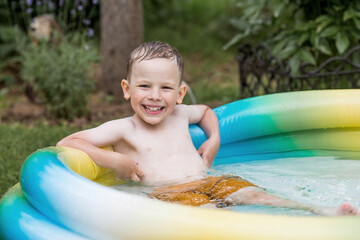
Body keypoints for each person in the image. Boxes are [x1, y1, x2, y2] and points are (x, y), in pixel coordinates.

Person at [57, 41, 358, 216]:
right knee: (215, 221)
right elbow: (69, 141)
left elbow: (207, 113)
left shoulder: (180, 114)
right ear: (126, 89)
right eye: (144, 86)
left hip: (210, 181)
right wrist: (113, 160)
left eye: (165, 88)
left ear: (179, 93)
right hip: (170, 194)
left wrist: (213, 139)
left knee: (258, 197)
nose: (154, 96)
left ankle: (318, 211)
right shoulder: (123, 129)